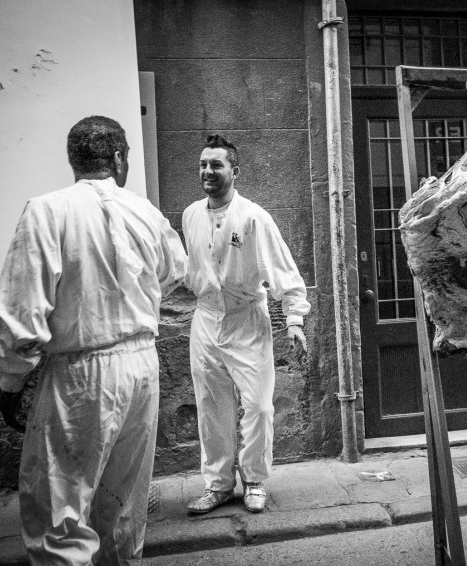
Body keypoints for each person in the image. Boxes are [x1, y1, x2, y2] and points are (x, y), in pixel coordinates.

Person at [0, 115, 188, 565]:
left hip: (81, 372)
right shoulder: (145, 211)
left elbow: (22, 314)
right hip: (141, 366)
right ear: (118, 158)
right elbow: (175, 272)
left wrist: (11, 382)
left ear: (73, 161)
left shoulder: (46, 210)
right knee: (122, 506)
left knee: (61, 508)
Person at [183, 133, 310, 515]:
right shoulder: (190, 215)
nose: (207, 171)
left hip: (246, 321)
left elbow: (283, 268)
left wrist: (294, 318)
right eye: (204, 164)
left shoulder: (254, 217)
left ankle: (254, 479)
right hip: (205, 321)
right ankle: (218, 484)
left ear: (234, 172)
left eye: (216, 164)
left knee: (257, 406)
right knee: (211, 406)